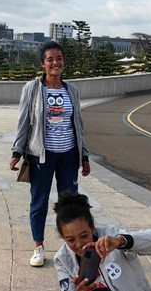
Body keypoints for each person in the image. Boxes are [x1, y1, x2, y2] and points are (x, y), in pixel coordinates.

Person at [10, 41, 91, 268]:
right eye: (50, 59)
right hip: (41, 156)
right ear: (43, 64)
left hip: (69, 155)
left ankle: (74, 249)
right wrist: (17, 151)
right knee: (39, 202)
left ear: (63, 61)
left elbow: (78, 125)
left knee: (70, 205)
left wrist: (84, 156)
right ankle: (38, 247)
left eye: (59, 58)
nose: (55, 63)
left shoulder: (71, 90)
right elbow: (23, 122)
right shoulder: (32, 89)